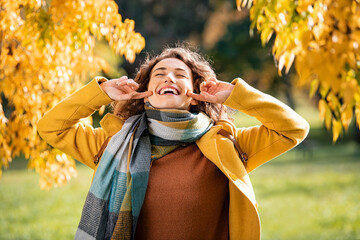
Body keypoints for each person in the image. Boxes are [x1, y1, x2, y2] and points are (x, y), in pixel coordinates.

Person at [37, 46, 309, 240]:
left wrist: (236, 95)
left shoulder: (226, 145)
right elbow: (51, 127)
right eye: (160, 73)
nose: (169, 77)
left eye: (180, 74)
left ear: (194, 96)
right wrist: (100, 94)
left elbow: (294, 128)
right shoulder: (113, 144)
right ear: (146, 96)